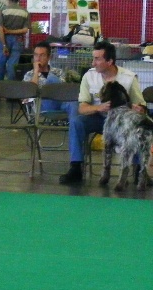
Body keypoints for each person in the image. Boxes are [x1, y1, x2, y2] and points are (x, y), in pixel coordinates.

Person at [59, 40, 146, 185]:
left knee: (137, 127)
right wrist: (98, 108)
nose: (93, 63)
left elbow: (141, 107)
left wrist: (137, 108)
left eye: (97, 59)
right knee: (76, 122)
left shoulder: (129, 78)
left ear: (110, 61)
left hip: (122, 123)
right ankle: (76, 167)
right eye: (93, 58)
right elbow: (82, 108)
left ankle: (139, 171)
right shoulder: (89, 76)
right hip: (98, 119)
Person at [21, 41, 68, 122]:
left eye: (42, 55)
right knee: (51, 79)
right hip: (40, 106)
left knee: (74, 103)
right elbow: (26, 96)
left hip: (59, 104)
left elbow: (63, 92)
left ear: (49, 57)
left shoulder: (58, 72)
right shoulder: (29, 75)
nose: (38, 58)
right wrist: (36, 72)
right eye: (36, 55)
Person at [0, 0, 28, 81]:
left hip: (4, 39)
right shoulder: (25, 12)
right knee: (12, 65)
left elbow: (0, 29)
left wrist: (4, 45)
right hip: (18, 40)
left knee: (0, 64)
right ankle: (11, 88)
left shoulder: (3, 10)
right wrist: (12, 32)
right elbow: (25, 30)